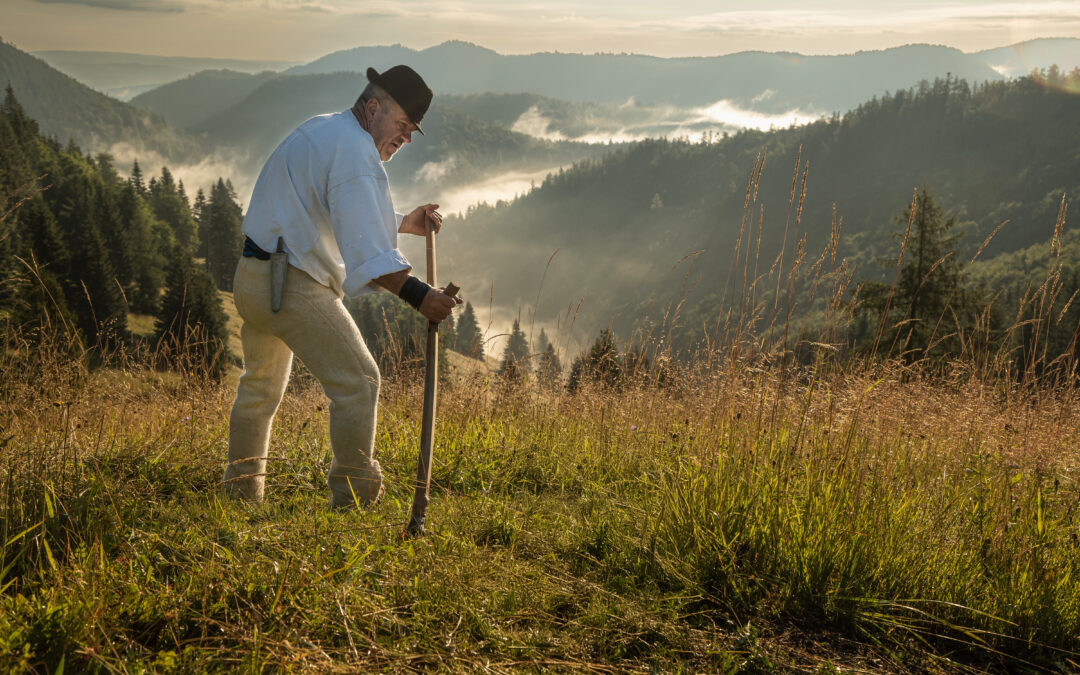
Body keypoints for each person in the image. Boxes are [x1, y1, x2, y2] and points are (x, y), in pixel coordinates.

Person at [223, 65, 460, 510]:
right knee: (360, 381)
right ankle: (353, 503)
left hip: (253, 279)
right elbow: (368, 256)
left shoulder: (324, 129)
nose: (405, 140)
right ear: (372, 108)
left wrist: (401, 224)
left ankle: (239, 499)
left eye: (412, 132)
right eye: (403, 126)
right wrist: (420, 296)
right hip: (290, 285)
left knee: (259, 389)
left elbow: (329, 212)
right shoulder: (356, 152)